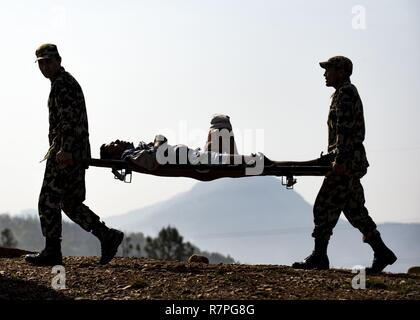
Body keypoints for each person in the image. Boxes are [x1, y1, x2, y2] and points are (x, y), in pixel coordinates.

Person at [292, 56, 397, 273]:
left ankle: (319, 257)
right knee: (354, 209)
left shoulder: (346, 94)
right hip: (349, 159)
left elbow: (345, 129)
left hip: (347, 162)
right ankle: (382, 252)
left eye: (328, 69)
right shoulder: (341, 94)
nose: (324, 74)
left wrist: (339, 161)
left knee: (323, 206)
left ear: (340, 71)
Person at [25, 44, 124, 266]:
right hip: (73, 152)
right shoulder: (62, 83)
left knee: (48, 200)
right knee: (70, 202)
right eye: (41, 62)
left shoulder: (63, 85)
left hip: (66, 153)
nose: (44, 66)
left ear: (58, 60)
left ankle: (52, 252)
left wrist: (65, 149)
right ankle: (107, 235)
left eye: (48, 61)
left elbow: (69, 120)